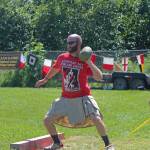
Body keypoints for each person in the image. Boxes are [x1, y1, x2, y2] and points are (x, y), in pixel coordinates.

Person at [35, 34, 115, 150]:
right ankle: (57, 144)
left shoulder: (85, 60)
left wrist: (88, 62)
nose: (68, 45)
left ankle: (108, 145)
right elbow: (55, 69)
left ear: (78, 44)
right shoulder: (62, 57)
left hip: (83, 96)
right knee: (47, 120)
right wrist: (45, 79)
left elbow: (99, 77)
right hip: (66, 98)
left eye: (71, 42)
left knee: (96, 118)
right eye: (68, 42)